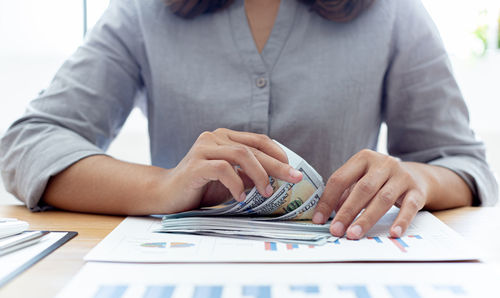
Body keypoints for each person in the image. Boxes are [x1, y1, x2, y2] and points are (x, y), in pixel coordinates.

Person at [0, 0, 497, 240]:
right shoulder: (141, 13)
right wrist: (162, 187)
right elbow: (29, 143)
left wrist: (418, 178)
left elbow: (465, 167)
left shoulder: (394, 14)